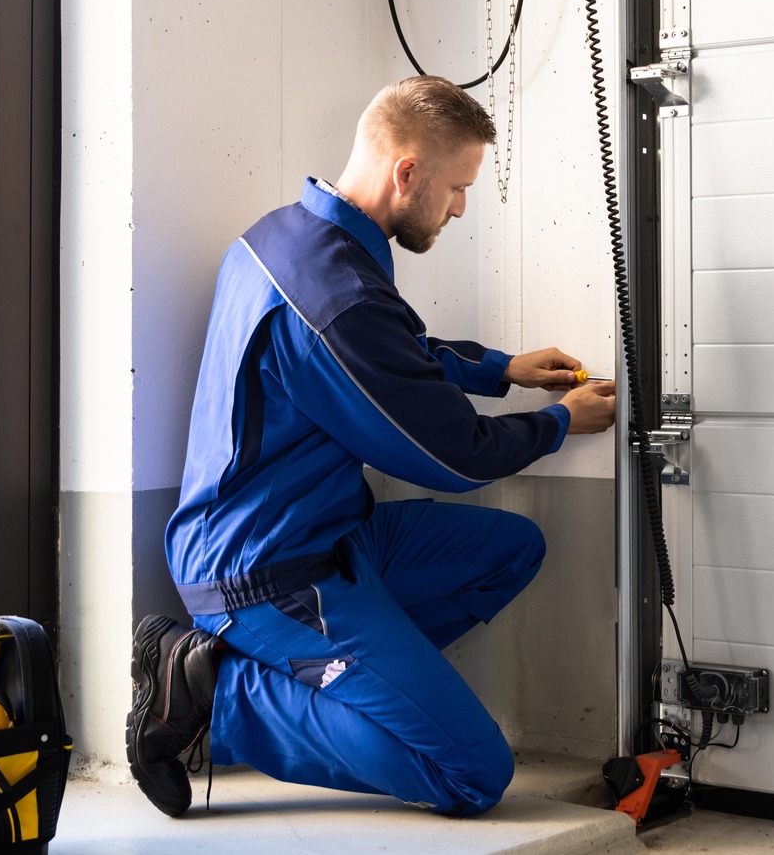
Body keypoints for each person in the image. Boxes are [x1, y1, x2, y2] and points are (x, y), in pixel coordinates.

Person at [125, 75, 616, 818]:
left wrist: (501, 369)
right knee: (472, 773)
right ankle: (216, 695)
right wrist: (557, 422)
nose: (458, 207)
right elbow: (455, 455)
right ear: (407, 172)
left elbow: (391, 353)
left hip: (331, 535)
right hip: (266, 572)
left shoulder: (286, 237)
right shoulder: (333, 297)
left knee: (511, 549)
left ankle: (344, 688)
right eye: (456, 187)